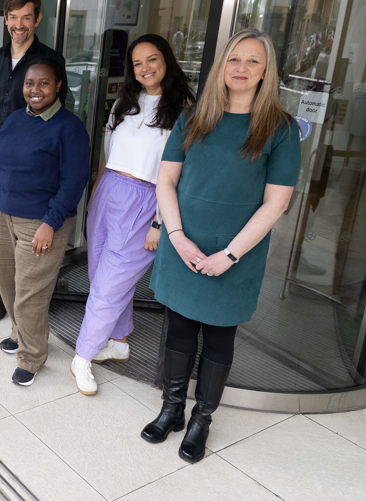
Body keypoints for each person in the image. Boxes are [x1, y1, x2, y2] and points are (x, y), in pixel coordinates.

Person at [141, 29, 301, 463]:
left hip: (236, 254)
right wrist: (176, 237)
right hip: (183, 243)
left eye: (252, 61)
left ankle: (201, 419)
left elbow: (277, 202)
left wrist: (230, 254)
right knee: (177, 331)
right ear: (221, 66)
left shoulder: (281, 128)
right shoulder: (193, 118)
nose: (241, 69)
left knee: (217, 338)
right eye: (234, 59)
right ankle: (172, 408)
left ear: (267, 71)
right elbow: (167, 180)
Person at [72, 35, 196, 396]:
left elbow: (182, 173)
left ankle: (82, 356)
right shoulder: (124, 102)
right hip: (110, 189)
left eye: (152, 60)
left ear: (166, 61)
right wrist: (95, 197)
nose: (145, 69)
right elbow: (108, 156)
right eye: (137, 63)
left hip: (147, 198)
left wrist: (160, 221)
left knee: (111, 283)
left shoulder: (185, 108)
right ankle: (120, 342)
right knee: (100, 274)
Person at [0, 58, 90, 386]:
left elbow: (73, 182)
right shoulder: (13, 121)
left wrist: (50, 223)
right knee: (8, 282)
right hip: (1, 215)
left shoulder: (69, 128)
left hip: (41, 222)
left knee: (31, 292)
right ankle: (20, 331)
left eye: (43, 83)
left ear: (57, 87)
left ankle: (32, 354)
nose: (35, 89)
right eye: (29, 83)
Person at [0, 0, 69, 324]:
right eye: (13, 18)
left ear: (37, 19)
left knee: (11, 227)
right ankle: (22, 279)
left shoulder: (50, 61)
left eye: (26, 17)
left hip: (27, 159)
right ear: (6, 20)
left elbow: (56, 113)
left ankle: (5, 292)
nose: (19, 25)